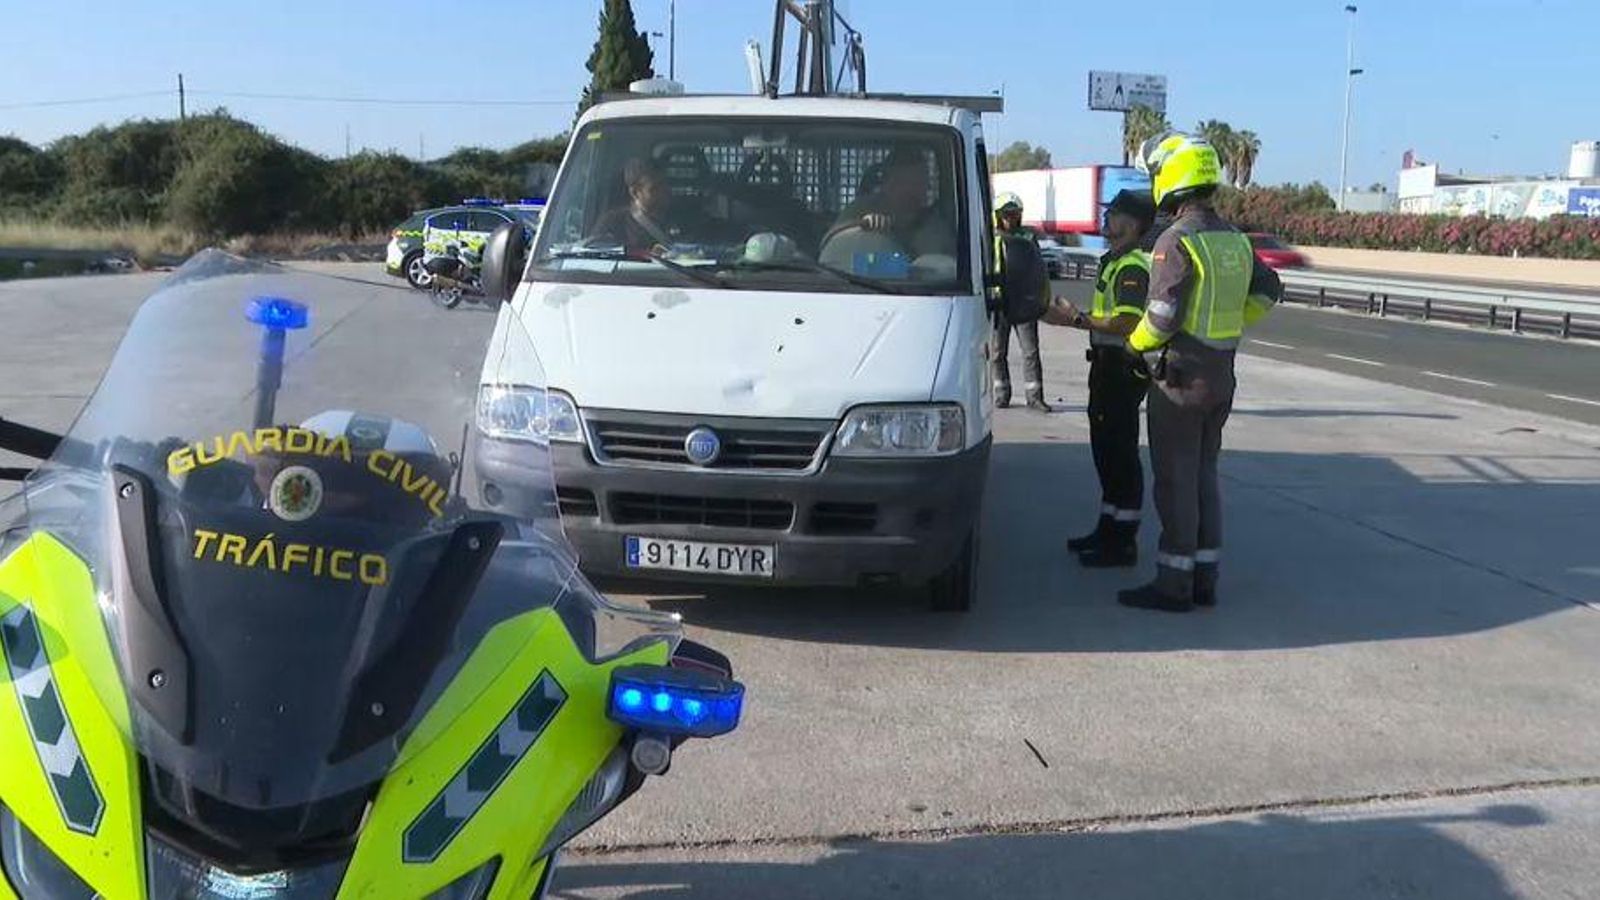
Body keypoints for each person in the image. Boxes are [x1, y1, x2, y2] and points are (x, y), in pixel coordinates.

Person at [1116, 132, 1282, 613]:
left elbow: (1163, 316)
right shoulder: (1234, 239)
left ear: (1173, 176)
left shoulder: (1175, 240)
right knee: (1205, 474)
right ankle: (1205, 578)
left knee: (1174, 479)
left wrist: (1133, 346)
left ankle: (1173, 585)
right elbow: (1269, 291)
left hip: (1180, 379)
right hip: (1222, 374)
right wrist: (1229, 327)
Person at [1050, 189, 1156, 566]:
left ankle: (1122, 542)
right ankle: (1107, 528)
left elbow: (1127, 320)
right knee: (1105, 453)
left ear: (1133, 223)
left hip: (1122, 367)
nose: (1106, 221)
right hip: (1106, 366)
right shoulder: (1112, 260)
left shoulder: (1132, 266)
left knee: (1120, 454)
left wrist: (1077, 319)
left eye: (1113, 215)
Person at [833, 147, 955, 257]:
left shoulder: (934, 226)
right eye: (910, 182)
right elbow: (833, 247)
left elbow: (946, 268)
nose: (923, 189)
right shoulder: (860, 210)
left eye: (923, 182)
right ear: (889, 183)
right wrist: (866, 229)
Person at [990, 193, 1051, 412]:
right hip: (999, 301)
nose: (1011, 218)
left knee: (1030, 351)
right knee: (997, 352)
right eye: (1006, 214)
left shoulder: (1028, 236)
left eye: (1014, 214)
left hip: (1023, 300)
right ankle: (1001, 393)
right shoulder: (990, 236)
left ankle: (1035, 397)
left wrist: (1040, 297)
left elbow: (1038, 268)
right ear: (998, 215)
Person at [592, 157, 690, 259]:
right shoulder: (613, 223)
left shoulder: (687, 217)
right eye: (655, 188)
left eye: (665, 184)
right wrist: (646, 253)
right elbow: (598, 254)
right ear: (635, 192)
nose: (664, 191)